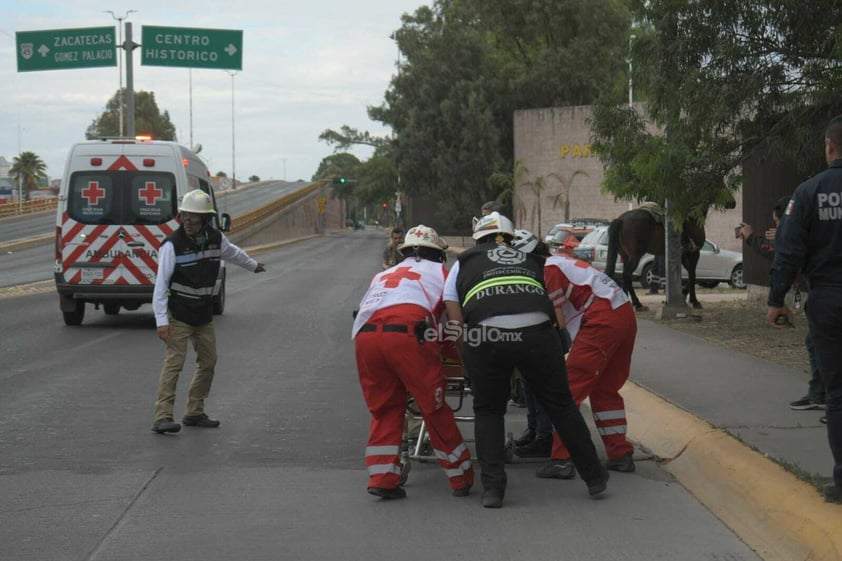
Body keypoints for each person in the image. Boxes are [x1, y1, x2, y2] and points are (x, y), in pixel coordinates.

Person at [443, 212, 608, 508]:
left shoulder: (463, 263)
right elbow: (552, 308)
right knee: (561, 405)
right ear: (510, 237)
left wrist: (467, 359)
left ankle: (493, 490)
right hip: (537, 336)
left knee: (489, 410)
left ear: (478, 237)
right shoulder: (532, 260)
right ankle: (594, 477)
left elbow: (455, 322)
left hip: (487, 336)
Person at [352, 225, 474, 500]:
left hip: (365, 336)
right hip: (408, 333)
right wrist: (465, 358)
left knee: (384, 408)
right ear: (438, 254)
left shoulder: (383, 274)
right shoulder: (443, 275)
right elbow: (450, 328)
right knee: (433, 407)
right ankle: (461, 477)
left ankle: (383, 478)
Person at [513, 229, 638, 479]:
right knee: (604, 389)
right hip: (622, 313)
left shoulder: (548, 270)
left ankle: (562, 459)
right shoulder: (560, 261)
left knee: (568, 391)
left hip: (602, 318)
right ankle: (620, 453)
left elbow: (557, 318)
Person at [767, 115, 842, 504]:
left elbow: (788, 250)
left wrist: (776, 300)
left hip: (829, 300)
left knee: (838, 394)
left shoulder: (809, 192)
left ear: (829, 146)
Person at [151, 189, 266, 434]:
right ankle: (162, 416)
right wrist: (162, 321)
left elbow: (233, 253)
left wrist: (253, 265)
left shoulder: (215, 238)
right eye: (185, 216)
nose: (188, 222)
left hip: (203, 315)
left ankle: (194, 411)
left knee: (209, 362)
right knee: (175, 364)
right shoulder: (172, 246)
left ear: (205, 219)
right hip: (179, 313)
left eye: (194, 217)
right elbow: (160, 286)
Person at [739, 197, 826, 412]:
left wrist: (752, 238)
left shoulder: (800, 232)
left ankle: (826, 398)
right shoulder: (815, 228)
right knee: (816, 342)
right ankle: (822, 395)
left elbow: (782, 256)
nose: (777, 228)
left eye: (779, 224)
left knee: (819, 343)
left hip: (826, 294)